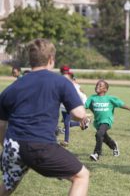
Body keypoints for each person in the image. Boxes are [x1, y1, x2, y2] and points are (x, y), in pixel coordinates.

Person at [0, 38, 89, 195]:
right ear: (51, 60)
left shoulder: (12, 87)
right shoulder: (61, 82)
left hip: (12, 146)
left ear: (31, 60)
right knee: (81, 176)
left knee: (8, 184)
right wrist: (82, 117)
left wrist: (8, 146)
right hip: (39, 146)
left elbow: (1, 125)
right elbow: (78, 114)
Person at [85, 79, 130, 161]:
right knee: (102, 136)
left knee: (99, 134)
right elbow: (85, 106)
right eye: (97, 85)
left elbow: (121, 104)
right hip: (97, 122)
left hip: (107, 121)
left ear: (105, 89)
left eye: (100, 85)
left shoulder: (110, 98)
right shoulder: (92, 98)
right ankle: (114, 145)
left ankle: (97, 153)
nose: (97, 86)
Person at [60, 71, 89, 147]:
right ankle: (82, 123)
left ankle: (66, 141)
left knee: (66, 123)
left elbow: (83, 96)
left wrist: (85, 105)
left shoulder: (76, 87)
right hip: (63, 108)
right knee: (67, 123)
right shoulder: (61, 86)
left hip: (70, 107)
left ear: (72, 79)